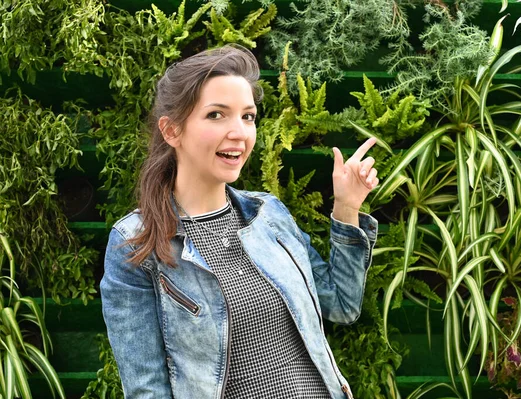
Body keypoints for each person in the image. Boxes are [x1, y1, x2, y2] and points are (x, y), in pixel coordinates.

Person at [101, 45, 379, 399]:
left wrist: (346, 208)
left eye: (248, 116)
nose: (239, 132)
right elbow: (146, 389)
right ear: (172, 131)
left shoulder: (269, 214)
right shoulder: (136, 243)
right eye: (217, 115)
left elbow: (341, 306)